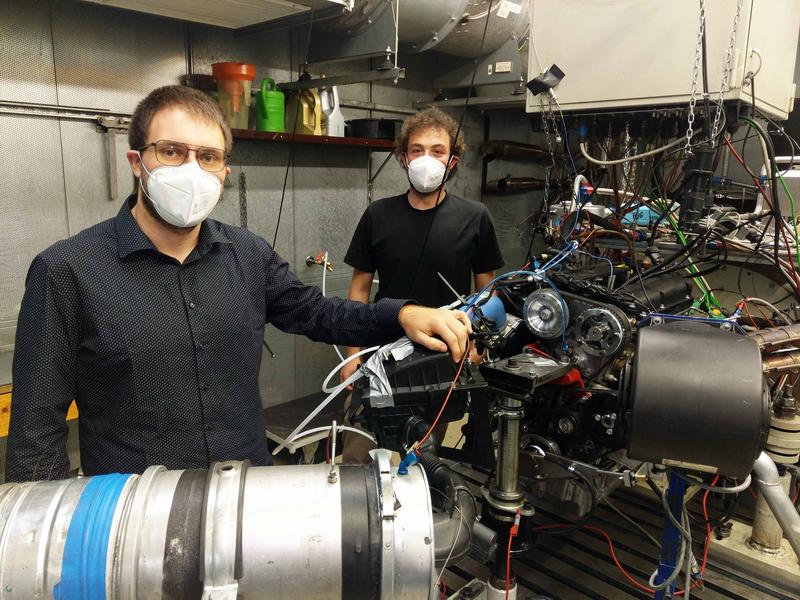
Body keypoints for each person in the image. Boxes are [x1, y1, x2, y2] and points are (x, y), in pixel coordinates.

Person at [5, 86, 471, 482]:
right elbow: (35, 443)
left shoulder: (247, 255)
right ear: (136, 161)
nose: (191, 169)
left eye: (207, 156)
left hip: (247, 502)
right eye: (171, 151)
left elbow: (318, 313)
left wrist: (401, 314)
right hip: (135, 525)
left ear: (224, 172)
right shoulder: (66, 271)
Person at [339, 107, 504, 461]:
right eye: (416, 150)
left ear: (453, 160)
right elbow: (359, 291)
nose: (425, 159)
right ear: (403, 157)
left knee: (423, 460)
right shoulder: (377, 215)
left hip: (440, 359)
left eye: (437, 150)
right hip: (379, 355)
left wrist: (477, 349)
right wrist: (352, 359)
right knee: (358, 457)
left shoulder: (475, 218)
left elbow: (487, 294)